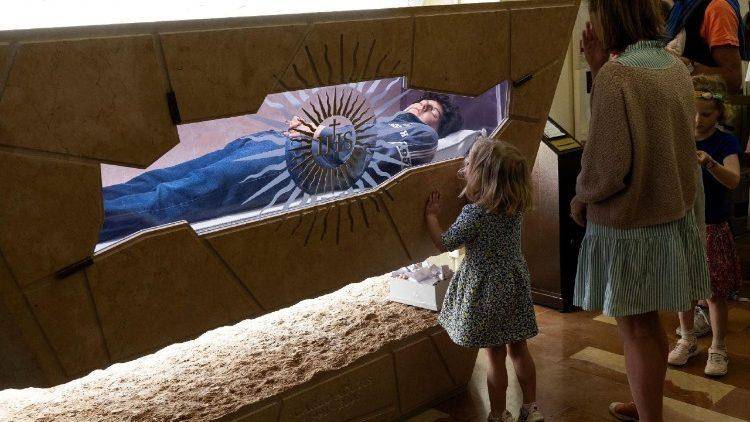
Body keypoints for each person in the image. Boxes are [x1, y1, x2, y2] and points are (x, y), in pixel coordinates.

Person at [573, 1, 711, 421]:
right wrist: (600, 68)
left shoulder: (618, 75)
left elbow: (608, 163)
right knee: (648, 324)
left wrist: (581, 197)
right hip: (669, 215)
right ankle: (646, 402)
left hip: (630, 223)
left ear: (611, 17)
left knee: (636, 328)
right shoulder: (673, 65)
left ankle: (650, 414)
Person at [100, 92, 462, 242]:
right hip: (273, 148)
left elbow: (360, 157)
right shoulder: (388, 122)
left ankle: (85, 230)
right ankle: (83, 211)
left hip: (283, 167)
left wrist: (315, 131)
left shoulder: (423, 139)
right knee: (163, 180)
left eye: (432, 110)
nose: (421, 107)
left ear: (439, 127)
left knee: (172, 197)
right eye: (423, 102)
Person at [424, 137, 541, 422]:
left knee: (495, 356)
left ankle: (498, 414)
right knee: (520, 349)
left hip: (486, 289)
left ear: (482, 176)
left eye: (469, 165)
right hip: (514, 284)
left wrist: (431, 217)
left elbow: (446, 243)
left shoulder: (475, 214)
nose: (465, 169)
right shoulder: (515, 207)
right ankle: (531, 408)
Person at [668, 75, 741, 376]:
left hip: (712, 224)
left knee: (714, 292)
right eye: (693, 112)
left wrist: (711, 163)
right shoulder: (679, 137)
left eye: (707, 114)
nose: (698, 120)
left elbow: (733, 179)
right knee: (683, 287)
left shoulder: (725, 141)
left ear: (720, 113)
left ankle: (718, 347)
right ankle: (687, 339)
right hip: (684, 223)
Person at [666, 0, 747, 93]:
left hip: (705, 101)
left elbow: (732, 79)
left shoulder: (718, 8)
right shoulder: (680, 6)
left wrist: (688, 67)